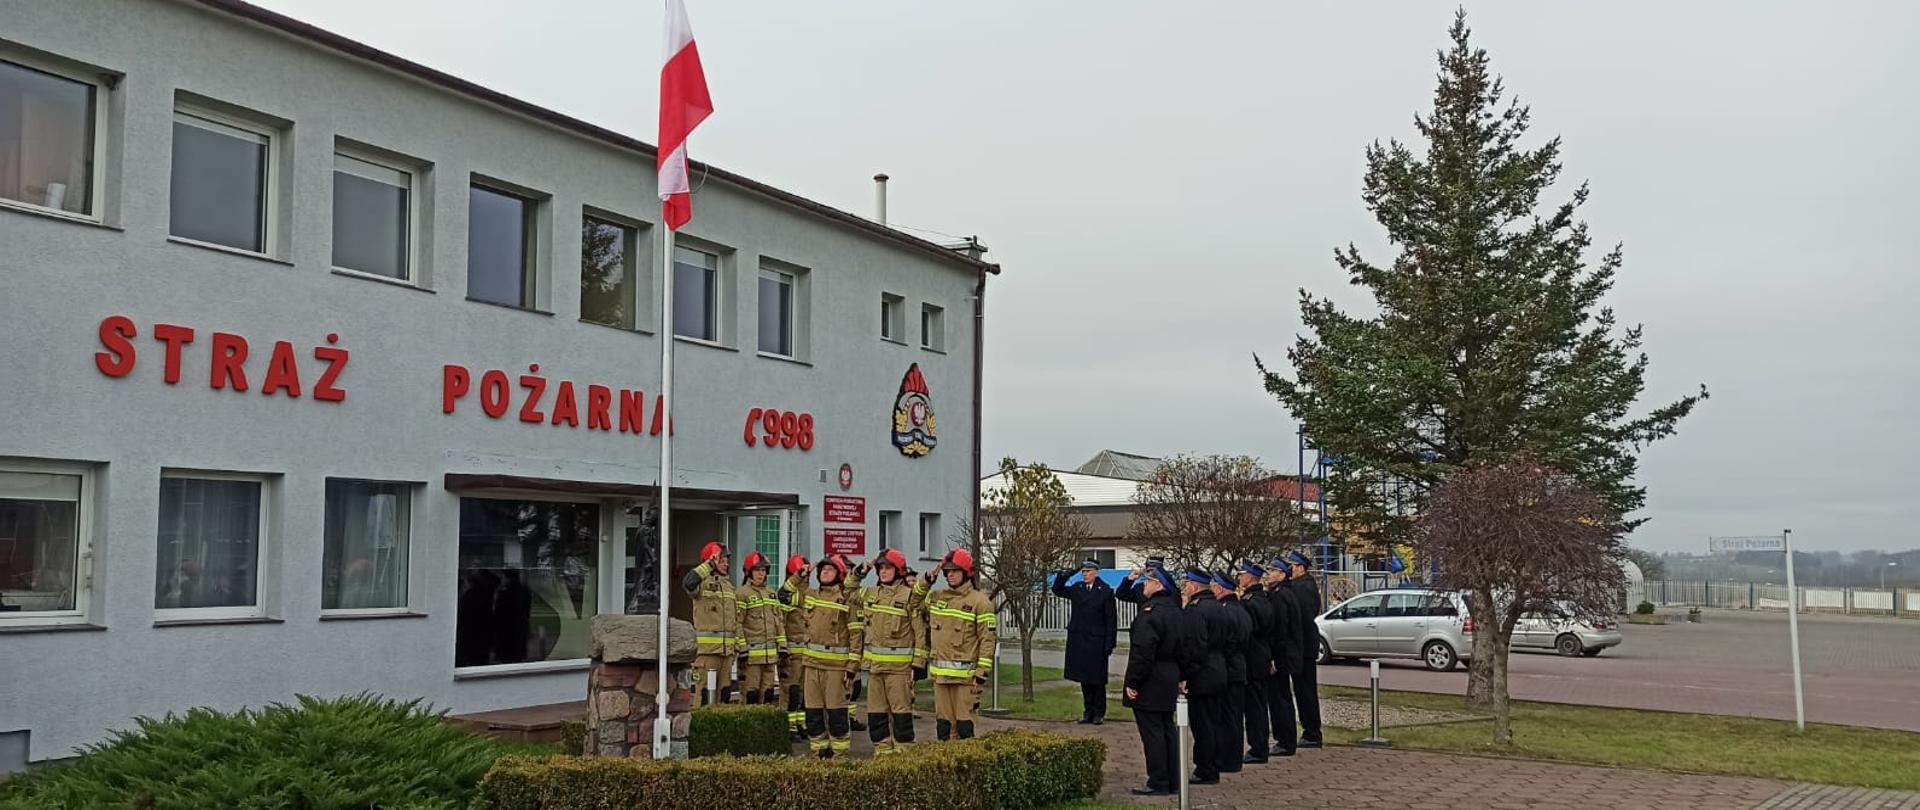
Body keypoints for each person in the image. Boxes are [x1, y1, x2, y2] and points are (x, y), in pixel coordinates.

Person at [1122, 566, 1186, 797]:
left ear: (1158, 585)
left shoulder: (1149, 613)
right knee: (1167, 728)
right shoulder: (1176, 611)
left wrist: (1133, 682)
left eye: (1148, 582)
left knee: (1153, 733)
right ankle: (1173, 778)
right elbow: (1184, 648)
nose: (1144, 586)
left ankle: (1158, 780)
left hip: (1151, 678)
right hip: (1170, 674)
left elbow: (1143, 652)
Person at [791, 555, 862, 758]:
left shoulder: (847, 599)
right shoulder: (810, 594)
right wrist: (800, 576)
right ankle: (818, 753)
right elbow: (785, 595)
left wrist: (852, 667)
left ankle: (839, 757)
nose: (825, 572)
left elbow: (856, 635)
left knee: (837, 715)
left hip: (836, 668)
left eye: (830, 570)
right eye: (822, 570)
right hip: (812, 666)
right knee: (813, 714)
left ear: (839, 575)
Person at [858, 549, 926, 755]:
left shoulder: (909, 597)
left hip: (899, 671)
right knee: (876, 718)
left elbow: (920, 634)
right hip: (875, 671)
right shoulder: (870, 594)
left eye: (888, 568)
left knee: (901, 719)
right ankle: (883, 757)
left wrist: (917, 666)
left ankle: (903, 760)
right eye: (880, 568)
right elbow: (847, 592)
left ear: (898, 571)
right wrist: (859, 573)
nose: (883, 572)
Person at [924, 549, 996, 741]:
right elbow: (913, 603)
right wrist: (927, 581)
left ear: (967, 573)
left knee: (965, 729)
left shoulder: (980, 602)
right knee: (944, 728)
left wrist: (981, 675)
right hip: (941, 679)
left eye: (955, 570)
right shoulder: (937, 597)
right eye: (947, 571)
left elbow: (987, 640)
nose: (950, 575)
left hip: (966, 680)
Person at [1051, 558, 1118, 724]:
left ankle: (1099, 713)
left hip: (1096, 640)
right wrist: (1064, 575)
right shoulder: (1078, 588)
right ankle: (1088, 712)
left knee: (1097, 680)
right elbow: (1058, 590)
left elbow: (1111, 620)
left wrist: (1110, 643)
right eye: (1083, 572)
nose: (1085, 575)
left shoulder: (1105, 591)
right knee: (1084, 679)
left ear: (1096, 572)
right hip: (1080, 639)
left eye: (1088, 572)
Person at [1179, 568, 1227, 785]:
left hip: (1202, 673)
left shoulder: (1195, 610)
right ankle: (1214, 763)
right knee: (1214, 722)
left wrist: (1186, 675)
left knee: (1202, 724)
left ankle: (1205, 768)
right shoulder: (1218, 606)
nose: (1185, 588)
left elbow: (1195, 646)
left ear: (1195, 587)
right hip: (1218, 667)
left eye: (1187, 584)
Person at [681, 541, 737, 705]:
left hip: (726, 654)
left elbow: (736, 619)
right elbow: (688, 583)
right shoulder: (701, 584)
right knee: (704, 696)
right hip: (707, 654)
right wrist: (708, 565)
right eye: (722, 560)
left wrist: (736, 648)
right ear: (710, 560)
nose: (726, 563)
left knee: (724, 697)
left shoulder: (728, 586)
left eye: (727, 560)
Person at [1208, 572, 1251, 775]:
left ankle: (1228, 759)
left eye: (1214, 587)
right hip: (1238, 667)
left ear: (1221, 588)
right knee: (1234, 716)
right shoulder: (1240, 608)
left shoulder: (1227, 611)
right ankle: (1232, 758)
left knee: (1228, 717)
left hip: (1230, 668)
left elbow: (1228, 642)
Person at [1232, 561, 1274, 763]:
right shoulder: (1262, 599)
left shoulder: (1250, 603)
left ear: (1250, 577)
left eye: (1242, 574)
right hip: (1261, 657)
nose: (1239, 578)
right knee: (1258, 704)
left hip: (1253, 658)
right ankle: (1259, 745)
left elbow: (1246, 633)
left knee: (1255, 706)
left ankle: (1258, 748)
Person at [1261, 559, 1301, 757]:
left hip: (1281, 655)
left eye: (1273, 570)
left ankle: (1285, 740)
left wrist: (1274, 658)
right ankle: (1286, 739)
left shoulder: (1279, 596)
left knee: (1279, 699)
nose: (1269, 573)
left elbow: (1279, 629)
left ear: (1283, 574)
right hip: (1285, 653)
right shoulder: (1285, 593)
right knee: (1282, 697)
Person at [734, 552, 784, 706]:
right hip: (751, 658)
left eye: (763, 570)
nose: (760, 574)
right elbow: (737, 623)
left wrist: (783, 647)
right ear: (749, 572)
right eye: (756, 570)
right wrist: (742, 648)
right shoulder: (742, 594)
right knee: (751, 695)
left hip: (770, 658)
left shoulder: (771, 594)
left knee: (768, 695)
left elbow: (779, 622)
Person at [1287, 551, 1324, 748]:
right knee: (1303, 691)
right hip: (1304, 645)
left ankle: (1312, 733)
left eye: (1292, 567)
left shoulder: (1303, 587)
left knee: (1306, 691)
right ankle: (1310, 731)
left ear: (1301, 567)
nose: (1290, 570)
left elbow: (1302, 616)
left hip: (1304, 647)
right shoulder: (1303, 585)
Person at [777, 555, 811, 739]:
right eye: (802, 573)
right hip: (791, 652)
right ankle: (787, 725)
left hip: (805, 651)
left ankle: (800, 723)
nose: (805, 576)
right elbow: (780, 623)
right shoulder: (788, 596)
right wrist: (783, 649)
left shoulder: (809, 593)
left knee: (803, 691)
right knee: (789, 690)